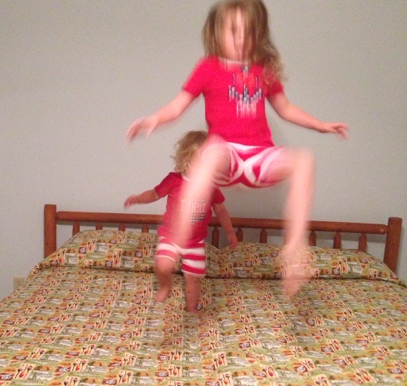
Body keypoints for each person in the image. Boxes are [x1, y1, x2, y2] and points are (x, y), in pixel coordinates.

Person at [126, 0, 348, 296]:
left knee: (304, 159)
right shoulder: (207, 67)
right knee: (212, 149)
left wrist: (320, 125)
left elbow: (285, 108)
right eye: (233, 30)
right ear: (216, 32)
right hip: (226, 158)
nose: (241, 38)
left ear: (260, 34)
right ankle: (181, 233)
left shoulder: (264, 69)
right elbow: (178, 105)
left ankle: (295, 248)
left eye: (249, 31)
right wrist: (155, 118)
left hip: (259, 158)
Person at [124, 130, 238, 313]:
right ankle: (165, 285)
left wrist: (230, 232)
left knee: (193, 278)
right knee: (163, 266)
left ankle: (191, 308)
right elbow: (154, 194)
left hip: (195, 242)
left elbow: (221, 210)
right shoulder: (174, 180)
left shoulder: (211, 186)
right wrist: (137, 198)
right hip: (171, 237)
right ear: (186, 159)